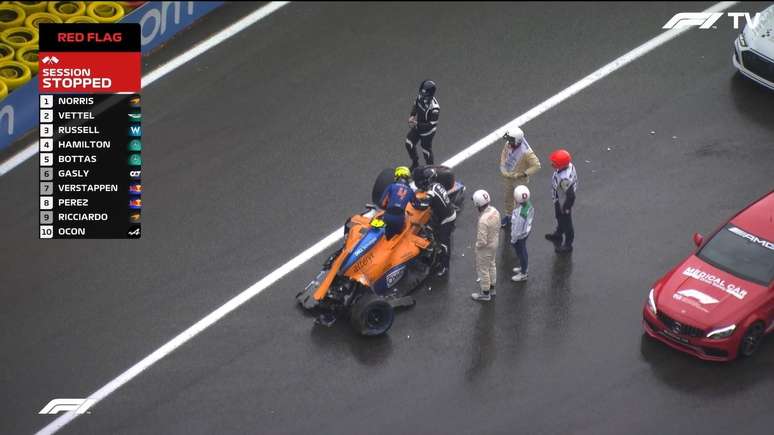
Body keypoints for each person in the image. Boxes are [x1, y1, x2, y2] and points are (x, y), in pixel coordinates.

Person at [415, 167, 456, 276]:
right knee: (432, 231)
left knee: (444, 244)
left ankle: (445, 266)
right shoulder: (438, 185)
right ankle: (438, 256)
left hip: (447, 219)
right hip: (444, 213)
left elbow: (422, 206)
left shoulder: (431, 192)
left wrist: (412, 200)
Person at [499, 128, 541, 228]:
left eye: (511, 140)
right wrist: (503, 166)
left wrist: (524, 173)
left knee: (522, 199)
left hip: (519, 179)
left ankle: (523, 219)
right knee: (508, 198)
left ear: (517, 141)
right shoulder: (509, 145)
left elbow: (537, 165)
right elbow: (504, 154)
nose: (508, 142)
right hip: (509, 176)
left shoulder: (526, 152)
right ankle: (509, 216)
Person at [545, 149, 577, 253]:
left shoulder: (564, 179)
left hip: (564, 201)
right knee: (559, 217)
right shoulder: (567, 166)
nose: (552, 164)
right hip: (559, 198)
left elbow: (571, 196)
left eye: (554, 163)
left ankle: (568, 244)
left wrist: (566, 208)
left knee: (567, 224)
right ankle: (558, 234)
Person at [471, 190, 500, 301]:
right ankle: (492, 288)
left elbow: (482, 241)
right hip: (494, 243)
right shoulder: (495, 211)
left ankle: (485, 293)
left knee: (483, 269)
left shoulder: (483, 220)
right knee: (492, 264)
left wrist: (477, 246)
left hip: (485, 248)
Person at [405, 80, 440, 170]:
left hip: (428, 132)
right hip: (418, 126)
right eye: (422, 94)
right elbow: (415, 105)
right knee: (409, 143)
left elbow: (431, 125)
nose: (423, 97)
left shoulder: (435, 108)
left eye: (425, 95)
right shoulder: (420, 96)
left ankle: (431, 169)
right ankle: (415, 163)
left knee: (426, 149)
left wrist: (417, 124)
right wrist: (412, 116)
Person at [380, 166, 415, 240]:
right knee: (397, 240)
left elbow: (382, 203)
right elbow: (416, 204)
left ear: (398, 176)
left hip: (388, 216)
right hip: (399, 219)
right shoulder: (410, 190)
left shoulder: (391, 186)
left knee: (383, 238)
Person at [510, 185, 534, 282]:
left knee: (521, 252)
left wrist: (513, 239)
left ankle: (524, 273)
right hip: (525, 232)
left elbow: (517, 229)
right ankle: (523, 267)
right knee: (522, 251)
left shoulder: (521, 213)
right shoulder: (528, 204)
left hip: (520, 236)